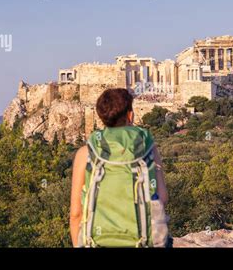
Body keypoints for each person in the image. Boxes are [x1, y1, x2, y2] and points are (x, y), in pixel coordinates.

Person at [70, 88, 169, 247]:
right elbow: (162, 197)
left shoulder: (85, 153)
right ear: (130, 115)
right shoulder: (148, 149)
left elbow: (76, 214)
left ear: (102, 118)